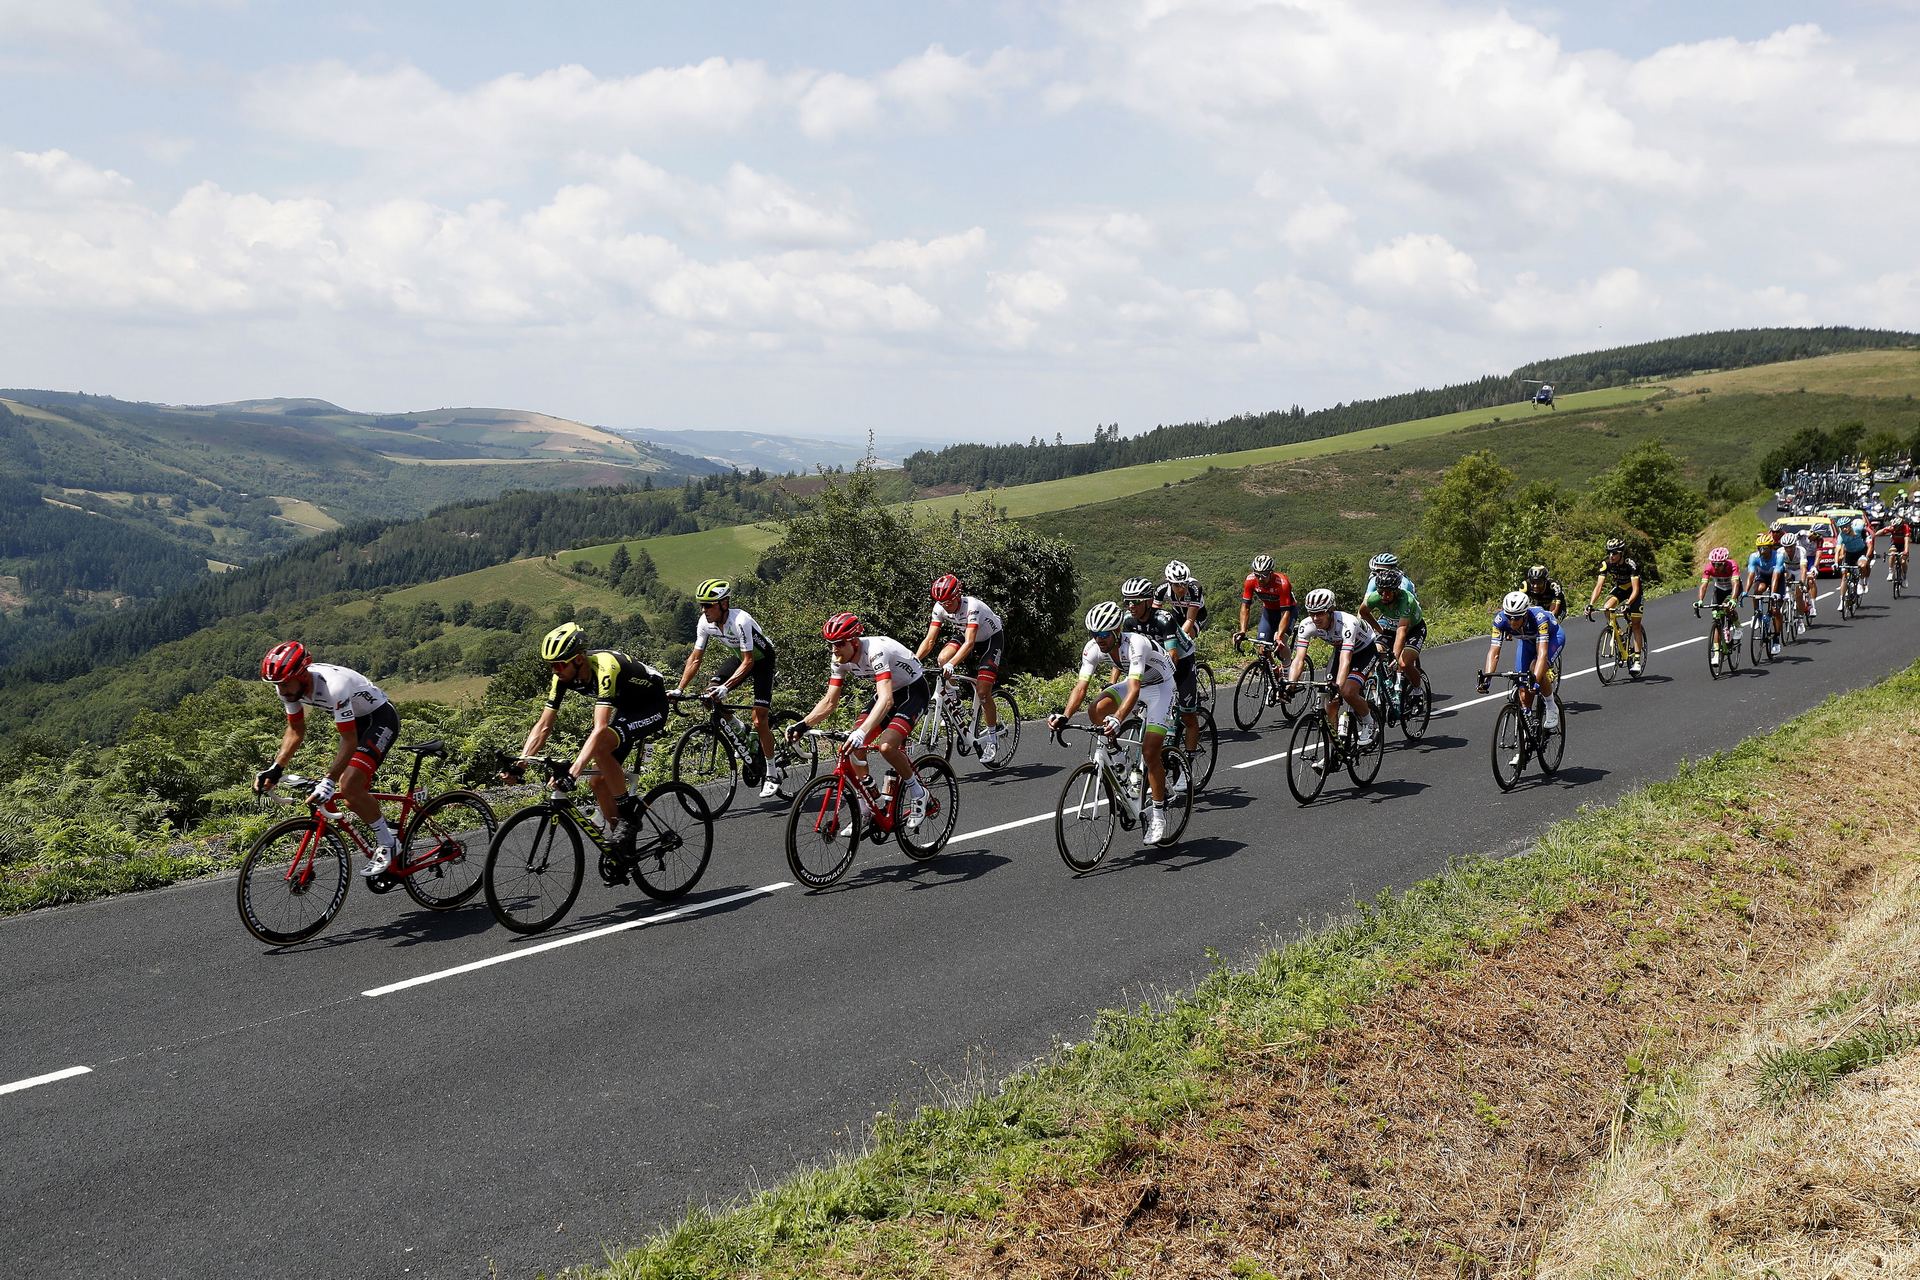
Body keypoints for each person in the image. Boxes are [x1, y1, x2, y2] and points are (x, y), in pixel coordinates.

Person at [253, 641, 403, 876]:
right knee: (353, 798)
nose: (281, 691)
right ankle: (389, 829)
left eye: (284, 684)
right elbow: (295, 731)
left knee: (348, 784)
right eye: (277, 685)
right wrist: (276, 768)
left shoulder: (334, 686)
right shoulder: (288, 687)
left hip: (380, 719)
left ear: (302, 675)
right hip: (356, 722)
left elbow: (349, 740)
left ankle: (389, 844)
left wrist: (330, 780)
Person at [511, 622, 669, 844]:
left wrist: (573, 773)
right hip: (626, 709)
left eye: (559, 665)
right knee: (597, 782)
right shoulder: (562, 677)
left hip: (652, 706)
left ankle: (628, 816)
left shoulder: (605, 667)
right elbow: (544, 725)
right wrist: (520, 764)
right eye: (551, 666)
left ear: (578, 659)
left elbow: (600, 728)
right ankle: (619, 843)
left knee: (601, 744)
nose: (555, 671)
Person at [1050, 600, 1178, 845]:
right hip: (1137, 685)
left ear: (1118, 631)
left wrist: (1119, 718)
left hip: (1161, 687)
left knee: (1151, 752)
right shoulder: (1092, 648)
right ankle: (1118, 759)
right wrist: (1064, 716)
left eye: (1104, 634)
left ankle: (1159, 815)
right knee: (1095, 710)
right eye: (1095, 634)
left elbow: (1134, 687)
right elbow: (1081, 686)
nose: (1099, 639)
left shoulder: (1136, 644)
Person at [792, 613, 932, 831]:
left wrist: (861, 732)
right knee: (851, 747)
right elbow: (830, 701)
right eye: (830, 644)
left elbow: (886, 700)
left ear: (854, 641)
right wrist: (804, 724)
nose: (834, 650)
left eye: (839, 643)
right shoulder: (839, 659)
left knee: (886, 746)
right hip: (890, 693)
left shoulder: (876, 650)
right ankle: (867, 804)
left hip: (913, 692)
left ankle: (918, 792)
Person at [673, 579, 784, 799]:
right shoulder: (705, 623)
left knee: (759, 717)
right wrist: (679, 688)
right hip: (739, 657)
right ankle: (737, 727)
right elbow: (695, 658)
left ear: (724, 603)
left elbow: (750, 661)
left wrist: (727, 687)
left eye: (708, 605)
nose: (704, 610)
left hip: (761, 661)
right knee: (709, 695)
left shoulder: (740, 620)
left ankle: (772, 773)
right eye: (702, 605)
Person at [914, 574, 1008, 764]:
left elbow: (970, 643)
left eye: (948, 601)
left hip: (990, 640)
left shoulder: (972, 607)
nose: (944, 605)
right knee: (942, 658)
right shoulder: (940, 606)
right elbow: (930, 640)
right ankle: (954, 701)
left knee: (982, 692)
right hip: (964, 634)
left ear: (958, 595)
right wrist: (913, 661)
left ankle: (992, 738)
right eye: (941, 602)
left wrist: (952, 664)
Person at [1122, 577, 1201, 797]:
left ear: (1148, 601)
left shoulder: (1163, 620)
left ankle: (1187, 770)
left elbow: (1173, 658)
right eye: (1127, 602)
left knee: (1187, 716)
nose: (1131, 606)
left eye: (1136, 601)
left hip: (1181, 662)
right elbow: (1126, 657)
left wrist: (1165, 689)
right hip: (1155, 665)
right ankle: (1142, 774)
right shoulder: (1129, 622)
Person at [1286, 587, 1378, 754]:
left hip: (1364, 651)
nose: (1315, 618)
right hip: (1340, 650)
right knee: (1330, 703)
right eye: (1311, 613)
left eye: (1320, 613)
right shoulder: (1306, 625)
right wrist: (1290, 685)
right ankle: (1334, 751)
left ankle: (1369, 722)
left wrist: (1338, 687)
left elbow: (1346, 659)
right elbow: (1299, 659)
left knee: (1347, 691)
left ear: (1331, 611)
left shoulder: (1347, 623)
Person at [1479, 590, 1563, 763]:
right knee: (1523, 691)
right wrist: (1486, 679)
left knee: (1534, 670)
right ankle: (1525, 743)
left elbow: (1541, 654)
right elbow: (1494, 653)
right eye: (1509, 617)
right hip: (1527, 642)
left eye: (1517, 617)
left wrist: (1536, 681)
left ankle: (1550, 705)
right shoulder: (1500, 621)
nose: (1512, 621)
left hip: (1553, 639)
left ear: (1525, 614)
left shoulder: (1539, 618)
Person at [1358, 566, 1426, 700]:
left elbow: (1402, 631)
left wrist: (1395, 657)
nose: (1384, 595)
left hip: (1414, 630)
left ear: (1396, 591)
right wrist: (1379, 630)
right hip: (1390, 629)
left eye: (1388, 592)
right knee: (1373, 656)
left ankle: (1417, 690)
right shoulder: (1375, 597)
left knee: (1403, 663)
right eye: (1381, 591)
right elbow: (1363, 612)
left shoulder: (1406, 600)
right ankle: (1377, 693)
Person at [1586, 538, 1645, 674]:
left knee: (1635, 623)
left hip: (1634, 591)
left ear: (1621, 553)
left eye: (1615, 553)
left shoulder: (1630, 564)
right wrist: (1590, 604)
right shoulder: (1606, 564)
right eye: (1609, 553)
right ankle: (1620, 634)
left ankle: (1636, 660)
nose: (1611, 556)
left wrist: (1628, 604)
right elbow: (1599, 586)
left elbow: (1635, 589)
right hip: (1620, 589)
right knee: (1607, 608)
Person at [1694, 546, 1740, 667]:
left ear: (1724, 563)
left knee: (1727, 606)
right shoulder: (1709, 567)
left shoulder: (1732, 565)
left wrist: (1734, 599)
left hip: (1732, 590)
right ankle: (1716, 653)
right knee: (1716, 619)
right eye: (1714, 563)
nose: (1716, 567)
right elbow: (1703, 585)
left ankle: (1738, 626)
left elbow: (1735, 583)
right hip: (1719, 590)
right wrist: (1699, 600)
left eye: (1719, 564)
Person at [1236, 554, 1295, 647]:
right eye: (1257, 574)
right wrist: (1243, 630)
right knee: (1262, 645)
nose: (1260, 578)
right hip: (1269, 612)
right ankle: (1269, 662)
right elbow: (1245, 606)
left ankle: (1288, 662)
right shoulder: (1250, 580)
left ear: (1271, 573)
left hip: (1288, 611)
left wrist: (1279, 636)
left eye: (1264, 574)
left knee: (1281, 641)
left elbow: (1285, 613)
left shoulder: (1282, 583)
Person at [1744, 531, 1787, 656]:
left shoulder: (1778, 556)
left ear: (1771, 547)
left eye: (1765, 548)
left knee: (1775, 609)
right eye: (1760, 548)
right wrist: (1745, 592)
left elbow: (1776, 575)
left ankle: (1776, 639)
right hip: (1762, 577)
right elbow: (1751, 575)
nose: (1762, 550)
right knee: (1757, 591)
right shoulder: (1754, 557)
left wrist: (1773, 593)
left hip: (1777, 580)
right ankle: (1756, 613)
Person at [1156, 559, 1210, 642]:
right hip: (1178, 613)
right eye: (1177, 585)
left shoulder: (1195, 587)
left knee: (1186, 638)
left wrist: (1177, 640)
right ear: (1170, 583)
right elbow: (1155, 613)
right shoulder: (1162, 588)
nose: (1182, 588)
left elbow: (1190, 619)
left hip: (1198, 615)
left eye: (1185, 583)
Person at [1836, 517, 1874, 595]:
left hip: (1861, 552)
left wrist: (1867, 557)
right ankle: (1842, 600)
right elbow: (1837, 550)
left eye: (1846, 526)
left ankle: (1861, 582)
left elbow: (1870, 543)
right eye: (1842, 528)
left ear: (1850, 525)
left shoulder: (1858, 529)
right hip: (1850, 554)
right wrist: (1836, 562)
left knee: (1862, 565)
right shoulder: (1841, 536)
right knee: (1844, 574)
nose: (1844, 529)